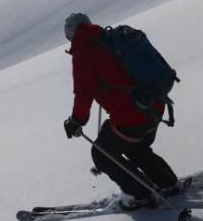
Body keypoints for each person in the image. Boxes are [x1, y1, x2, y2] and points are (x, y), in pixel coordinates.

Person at [62, 12, 178, 208]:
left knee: (102, 154)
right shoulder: (108, 39)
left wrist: (76, 121)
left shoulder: (84, 53)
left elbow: (83, 93)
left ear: (71, 34)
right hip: (154, 105)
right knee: (135, 147)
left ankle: (139, 194)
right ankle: (168, 183)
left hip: (132, 115)